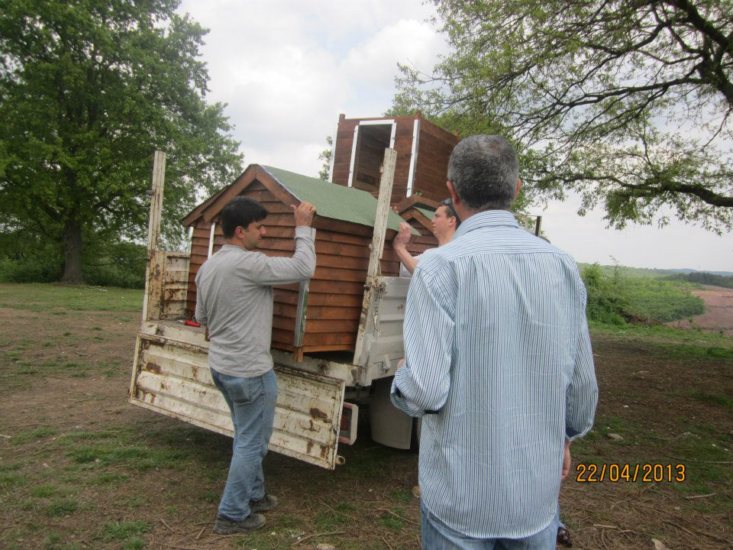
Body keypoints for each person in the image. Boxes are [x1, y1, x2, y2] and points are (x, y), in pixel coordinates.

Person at [391, 135, 598, 548]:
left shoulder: (438, 269)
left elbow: (426, 392)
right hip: (535, 503)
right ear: (517, 189)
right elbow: (581, 393)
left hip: (459, 501)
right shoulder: (562, 267)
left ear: (452, 191)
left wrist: (403, 379)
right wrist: (565, 437)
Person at [195, 196, 317, 535]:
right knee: (252, 443)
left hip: (221, 366)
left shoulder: (208, 267)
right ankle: (232, 514)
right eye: (258, 227)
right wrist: (303, 229)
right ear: (239, 231)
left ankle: (255, 494)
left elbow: (201, 317)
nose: (263, 233)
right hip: (250, 372)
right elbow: (303, 268)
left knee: (245, 436)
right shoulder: (249, 264)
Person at [393, 198, 460, 275]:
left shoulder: (456, 251)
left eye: (437, 216)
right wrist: (395, 219)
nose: (432, 220)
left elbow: (422, 272)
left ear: (451, 221)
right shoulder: (431, 254)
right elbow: (406, 268)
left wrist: (399, 247)